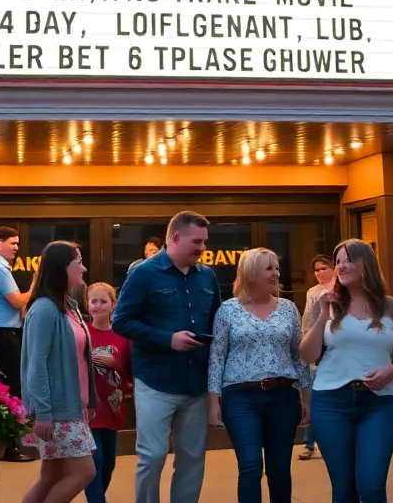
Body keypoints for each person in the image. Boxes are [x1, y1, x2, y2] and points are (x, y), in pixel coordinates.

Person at [112, 211, 221, 503]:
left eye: (204, 242)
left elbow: (216, 323)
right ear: (175, 238)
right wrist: (167, 340)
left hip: (196, 383)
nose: (202, 248)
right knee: (153, 456)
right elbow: (120, 321)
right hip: (155, 381)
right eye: (197, 241)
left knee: (192, 458)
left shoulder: (208, 276)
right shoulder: (144, 273)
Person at [300, 240, 393, 503]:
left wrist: (389, 371)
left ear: (367, 263)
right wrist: (324, 312)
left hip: (379, 403)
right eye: (338, 261)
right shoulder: (325, 303)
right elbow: (307, 355)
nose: (341, 266)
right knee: (344, 490)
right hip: (330, 402)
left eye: (347, 259)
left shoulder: (392, 306)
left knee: (372, 487)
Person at [208, 248, 311, 503]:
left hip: (283, 395)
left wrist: (307, 397)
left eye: (276, 267)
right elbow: (217, 356)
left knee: (279, 469)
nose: (276, 273)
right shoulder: (227, 310)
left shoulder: (288, 309)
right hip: (240, 396)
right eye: (269, 268)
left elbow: (299, 356)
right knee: (251, 465)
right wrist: (213, 401)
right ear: (251, 272)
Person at [21, 241, 98, 503]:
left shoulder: (69, 305)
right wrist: (43, 412)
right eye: (78, 263)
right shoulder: (44, 309)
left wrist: (89, 401)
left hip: (72, 407)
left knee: (51, 476)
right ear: (61, 268)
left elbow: (80, 359)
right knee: (84, 472)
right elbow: (36, 364)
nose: (84, 269)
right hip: (56, 410)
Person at [0, 225, 33, 462]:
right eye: (12, 243)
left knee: (4, 388)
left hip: (2, 331)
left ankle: (6, 444)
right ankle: (9, 447)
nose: (16, 248)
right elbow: (17, 302)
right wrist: (35, 283)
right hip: (4, 334)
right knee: (10, 389)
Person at [83, 282, 132, 503]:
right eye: (94, 301)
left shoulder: (123, 337)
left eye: (103, 301)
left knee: (109, 463)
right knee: (96, 459)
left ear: (113, 304)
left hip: (112, 408)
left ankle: (98, 496)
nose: (98, 306)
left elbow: (130, 373)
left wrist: (115, 364)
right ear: (87, 304)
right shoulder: (82, 334)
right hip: (88, 410)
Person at [300, 253, 336, 460]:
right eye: (316, 269)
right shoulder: (313, 292)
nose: (319, 273)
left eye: (324, 268)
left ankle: (326, 442)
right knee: (313, 396)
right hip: (317, 346)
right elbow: (308, 319)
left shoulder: (342, 288)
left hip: (336, 344)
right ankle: (309, 444)